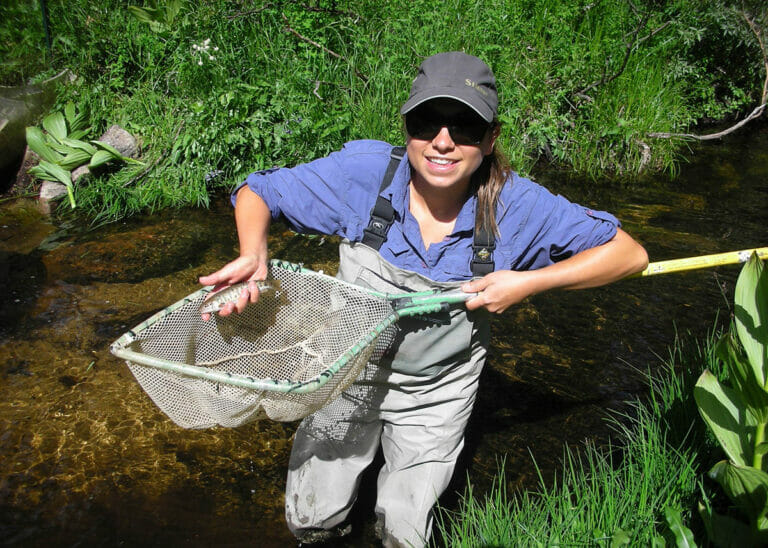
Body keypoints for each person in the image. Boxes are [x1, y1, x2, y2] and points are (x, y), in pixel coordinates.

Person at [199, 51, 648, 547]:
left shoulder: (519, 206)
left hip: (438, 390)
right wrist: (253, 253)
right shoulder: (364, 174)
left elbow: (628, 254)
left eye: (465, 127)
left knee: (404, 527)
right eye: (426, 122)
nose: (443, 141)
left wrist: (529, 283)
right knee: (313, 517)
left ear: (491, 139)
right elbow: (258, 192)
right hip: (346, 368)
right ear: (406, 126)